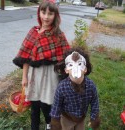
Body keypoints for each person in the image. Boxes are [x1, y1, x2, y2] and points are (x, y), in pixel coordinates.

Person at [13, 0, 70, 130]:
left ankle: (50, 124)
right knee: (34, 106)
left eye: (50, 14)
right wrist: (24, 77)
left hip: (50, 75)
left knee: (46, 104)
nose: (46, 17)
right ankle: (34, 127)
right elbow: (25, 57)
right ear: (39, 13)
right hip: (34, 74)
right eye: (43, 12)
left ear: (55, 15)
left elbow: (66, 56)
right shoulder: (33, 32)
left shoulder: (58, 35)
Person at [50, 47, 100, 130]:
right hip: (67, 118)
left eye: (80, 64)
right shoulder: (62, 87)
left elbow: (95, 102)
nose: (75, 68)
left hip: (81, 118)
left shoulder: (91, 86)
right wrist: (55, 121)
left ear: (85, 69)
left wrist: (94, 117)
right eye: (71, 65)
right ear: (66, 70)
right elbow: (56, 105)